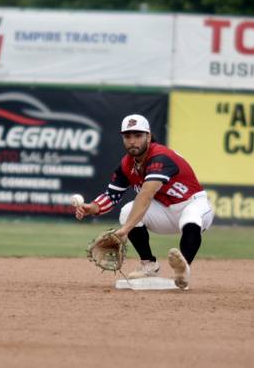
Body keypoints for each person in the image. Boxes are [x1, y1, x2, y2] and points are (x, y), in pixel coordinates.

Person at [74, 114, 214, 289]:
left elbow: (146, 195)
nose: (132, 141)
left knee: (190, 217)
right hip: (165, 212)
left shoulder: (161, 157)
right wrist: (92, 208)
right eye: (127, 136)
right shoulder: (127, 164)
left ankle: (183, 270)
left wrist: (125, 231)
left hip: (195, 204)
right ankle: (148, 264)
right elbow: (112, 195)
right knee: (127, 211)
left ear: (148, 136)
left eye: (138, 135)